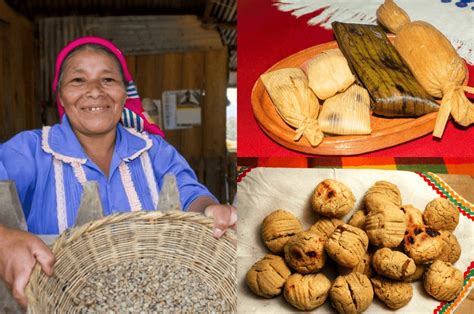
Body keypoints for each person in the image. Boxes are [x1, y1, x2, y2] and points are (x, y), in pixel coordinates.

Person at [0, 36, 237, 307]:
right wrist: (3, 240)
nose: (94, 91)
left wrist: (210, 209)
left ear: (125, 94)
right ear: (61, 97)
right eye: (78, 80)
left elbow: (190, 193)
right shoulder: (31, 151)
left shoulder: (153, 150)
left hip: (155, 300)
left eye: (108, 79)